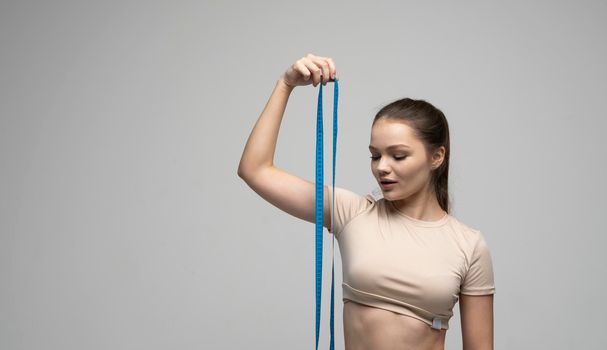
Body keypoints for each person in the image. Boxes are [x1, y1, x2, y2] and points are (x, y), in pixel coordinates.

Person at [237, 53, 495, 350]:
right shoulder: (351, 213)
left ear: (436, 156)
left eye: (398, 156)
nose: (382, 167)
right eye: (375, 155)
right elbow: (254, 170)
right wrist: (286, 84)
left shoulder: (469, 245)